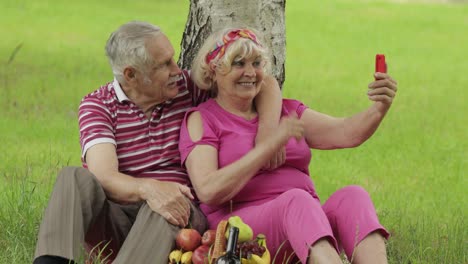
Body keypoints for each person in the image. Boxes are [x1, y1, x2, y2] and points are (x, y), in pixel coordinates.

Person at [33, 21, 284, 264]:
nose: (177, 70)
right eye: (164, 65)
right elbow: (104, 175)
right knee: (73, 178)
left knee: (168, 205)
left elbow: (265, 84)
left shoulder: (188, 88)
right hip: (118, 218)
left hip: (177, 219)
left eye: (173, 59)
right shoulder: (98, 105)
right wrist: (150, 189)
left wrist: (267, 134)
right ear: (131, 75)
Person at [179, 27, 398, 264]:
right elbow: (208, 190)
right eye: (239, 64)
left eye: (256, 63)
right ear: (214, 70)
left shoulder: (286, 111)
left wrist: (379, 108)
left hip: (307, 222)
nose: (250, 72)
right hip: (243, 230)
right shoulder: (203, 119)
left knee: (353, 196)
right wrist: (267, 147)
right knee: (296, 200)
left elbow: (346, 132)